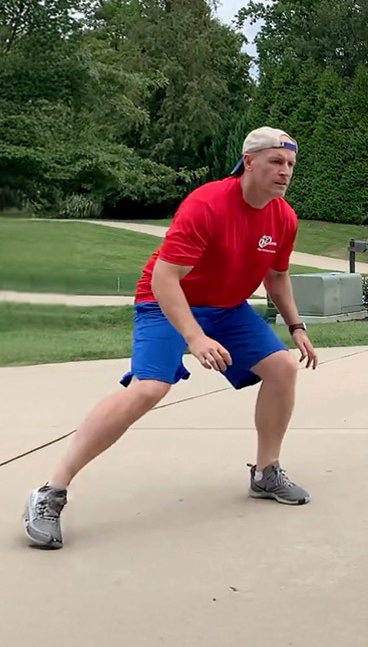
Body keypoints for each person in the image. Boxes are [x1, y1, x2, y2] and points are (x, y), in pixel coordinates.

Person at [24, 126, 319, 549]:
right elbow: (166, 277)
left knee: (283, 367)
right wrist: (194, 337)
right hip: (164, 300)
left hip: (227, 308)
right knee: (149, 388)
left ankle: (265, 472)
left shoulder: (283, 217)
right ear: (249, 162)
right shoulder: (207, 204)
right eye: (276, 161)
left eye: (290, 164)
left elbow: (276, 276)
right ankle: (50, 491)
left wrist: (296, 327)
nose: (285, 171)